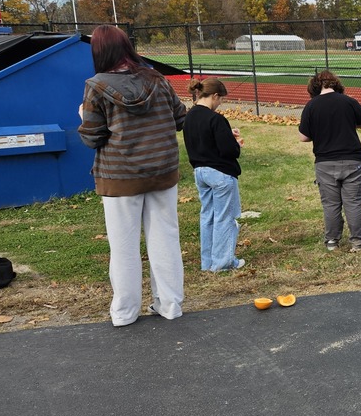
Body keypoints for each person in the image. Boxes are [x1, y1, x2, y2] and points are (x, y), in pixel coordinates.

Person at [78, 25, 187, 326]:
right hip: (162, 172)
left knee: (123, 247)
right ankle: (170, 305)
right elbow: (180, 118)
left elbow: (92, 137)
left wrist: (82, 116)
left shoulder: (96, 86)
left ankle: (125, 313)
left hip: (120, 177)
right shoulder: (158, 79)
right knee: (166, 239)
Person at [299, 71, 361, 252]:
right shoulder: (348, 101)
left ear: (314, 87)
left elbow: (303, 137)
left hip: (325, 162)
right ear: (336, 84)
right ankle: (358, 242)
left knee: (331, 204)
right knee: (353, 203)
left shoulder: (311, 106)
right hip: (353, 159)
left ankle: (332, 241)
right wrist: (349, 123)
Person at [183, 78, 245, 272]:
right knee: (224, 218)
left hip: (200, 172)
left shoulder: (189, 117)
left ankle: (208, 262)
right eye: (221, 99)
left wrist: (227, 135)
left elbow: (205, 140)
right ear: (215, 96)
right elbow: (229, 150)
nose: (220, 104)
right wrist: (236, 144)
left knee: (207, 216)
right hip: (220, 173)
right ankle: (223, 262)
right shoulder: (215, 119)